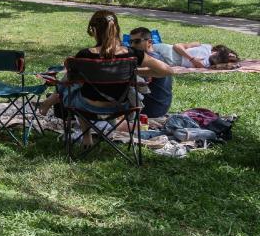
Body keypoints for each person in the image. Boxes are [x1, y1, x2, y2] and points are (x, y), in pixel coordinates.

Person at [38, 12, 174, 141]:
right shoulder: (132, 54)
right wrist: (136, 72)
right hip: (121, 108)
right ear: (117, 29)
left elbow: (68, 81)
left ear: (94, 31)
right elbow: (167, 70)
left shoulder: (84, 55)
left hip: (87, 107)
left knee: (72, 87)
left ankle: (86, 136)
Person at [128, 27, 175, 118]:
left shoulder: (148, 60)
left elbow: (138, 84)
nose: (132, 45)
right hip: (161, 107)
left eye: (137, 41)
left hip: (150, 110)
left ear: (149, 42)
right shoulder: (156, 57)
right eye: (131, 42)